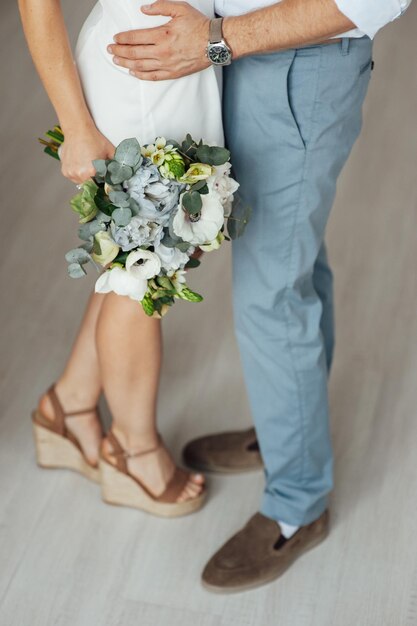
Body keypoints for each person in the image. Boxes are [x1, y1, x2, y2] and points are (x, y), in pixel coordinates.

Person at [107, 0, 413, 591]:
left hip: (297, 63)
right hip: (241, 53)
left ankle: (298, 502)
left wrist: (221, 38)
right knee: (294, 258)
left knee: (271, 294)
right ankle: (289, 430)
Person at [18, 0, 226, 517]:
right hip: (136, 88)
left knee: (142, 263)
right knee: (145, 277)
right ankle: (133, 452)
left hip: (186, 68)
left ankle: (67, 407)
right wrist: (75, 125)